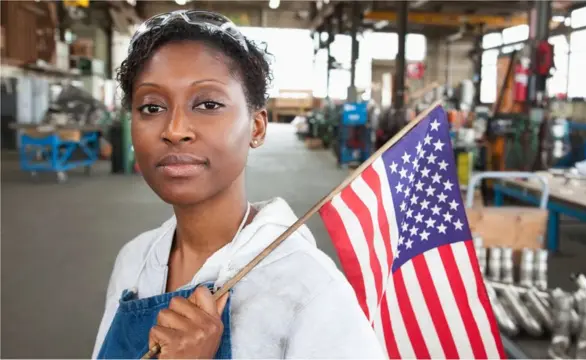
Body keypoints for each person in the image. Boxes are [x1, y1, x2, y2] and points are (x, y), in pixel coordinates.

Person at [92, 10, 384, 359]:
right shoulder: (135, 260)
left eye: (209, 104)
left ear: (257, 128)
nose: (174, 129)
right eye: (152, 107)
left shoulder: (309, 289)